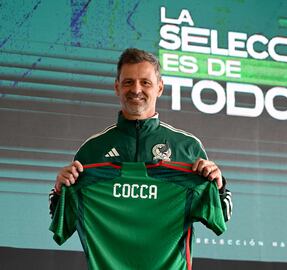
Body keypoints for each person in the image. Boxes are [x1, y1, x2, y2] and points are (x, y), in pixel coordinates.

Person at [49, 48, 232, 269]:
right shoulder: (92, 150)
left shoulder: (188, 147)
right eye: (128, 82)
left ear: (160, 87)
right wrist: (60, 190)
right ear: (117, 87)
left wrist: (219, 186)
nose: (136, 89)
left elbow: (221, 216)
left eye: (145, 82)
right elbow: (61, 217)